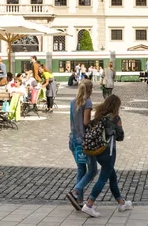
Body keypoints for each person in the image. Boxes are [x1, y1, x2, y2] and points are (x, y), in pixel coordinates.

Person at [80, 95, 132, 217]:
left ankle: (121, 203)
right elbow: (120, 137)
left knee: (111, 176)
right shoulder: (115, 118)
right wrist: (118, 124)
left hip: (98, 151)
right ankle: (89, 205)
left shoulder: (99, 116)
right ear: (116, 106)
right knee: (103, 178)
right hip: (109, 152)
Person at [66, 80, 97, 211]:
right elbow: (86, 122)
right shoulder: (88, 102)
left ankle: (78, 201)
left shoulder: (72, 102)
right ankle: (76, 191)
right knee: (93, 170)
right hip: (85, 142)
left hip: (73, 141)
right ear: (89, 89)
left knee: (81, 169)